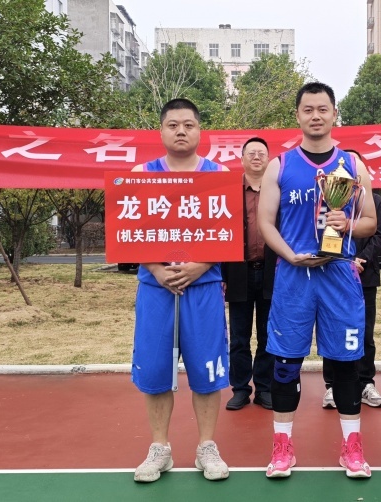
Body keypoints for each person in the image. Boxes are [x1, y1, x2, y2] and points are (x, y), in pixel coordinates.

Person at [257, 82, 377, 479]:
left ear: (334, 113)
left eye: (323, 109)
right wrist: (289, 254)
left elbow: (371, 222)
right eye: (308, 109)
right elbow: (265, 223)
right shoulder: (280, 165)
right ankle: (282, 446)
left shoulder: (353, 166)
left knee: (346, 365)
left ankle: (352, 447)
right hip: (294, 276)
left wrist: (349, 223)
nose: (315, 116)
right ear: (297, 115)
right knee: (285, 365)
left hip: (338, 275)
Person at [129, 98, 230, 483]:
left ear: (200, 130)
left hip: (203, 286)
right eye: (173, 125)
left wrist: (200, 265)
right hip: (155, 287)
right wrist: (157, 269)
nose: (181, 131)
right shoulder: (141, 174)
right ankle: (160, 448)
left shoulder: (219, 175)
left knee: (207, 367)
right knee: (156, 368)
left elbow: (228, 231)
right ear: (161, 131)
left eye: (188, 124)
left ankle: (207, 446)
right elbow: (129, 231)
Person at [322, 169, 381, 409]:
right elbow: (320, 233)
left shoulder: (376, 202)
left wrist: (361, 260)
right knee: (332, 329)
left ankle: (366, 382)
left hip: (365, 275)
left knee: (365, 332)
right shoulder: (325, 200)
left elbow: (380, 236)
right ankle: (331, 385)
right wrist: (344, 262)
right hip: (333, 275)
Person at [222, 137, 277, 411]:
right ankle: (240, 389)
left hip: (271, 272)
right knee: (239, 338)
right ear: (242, 159)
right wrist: (222, 274)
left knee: (268, 336)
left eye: (261, 153)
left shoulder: (277, 191)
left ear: (269, 159)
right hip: (238, 273)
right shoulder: (228, 192)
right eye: (251, 153)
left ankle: (264, 388)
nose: (256, 157)